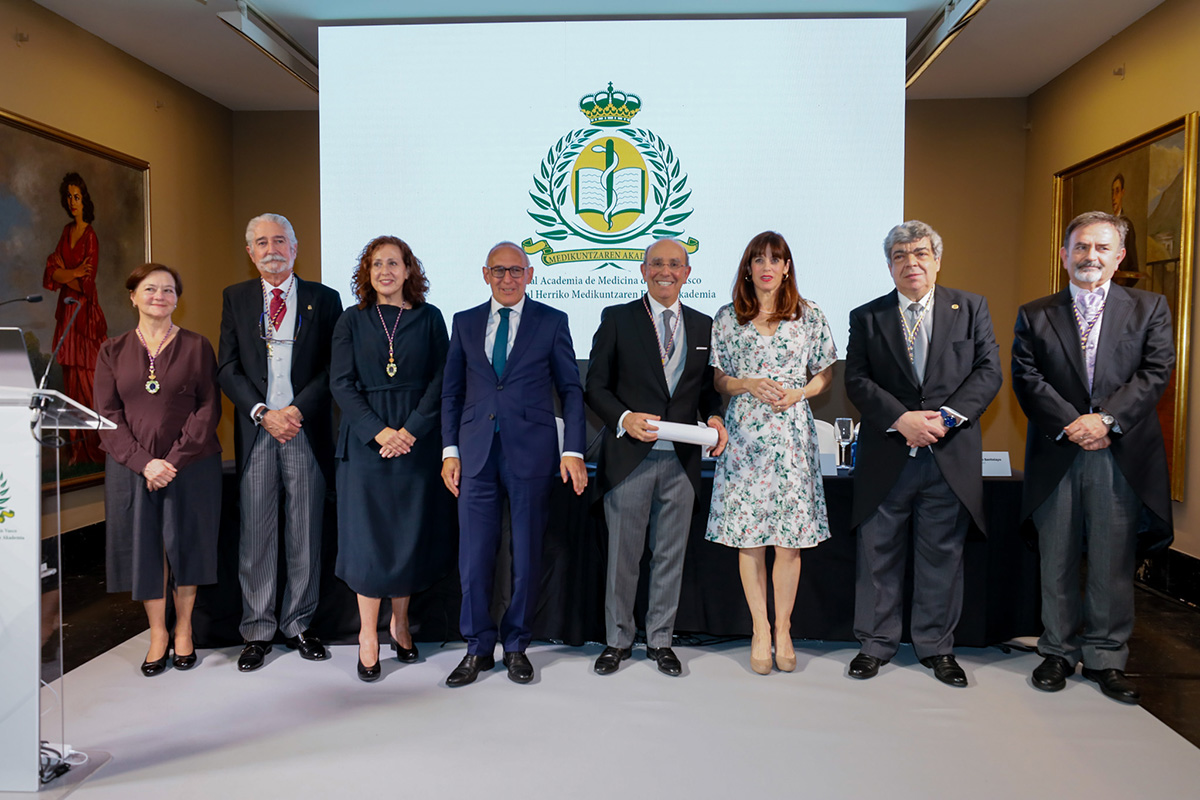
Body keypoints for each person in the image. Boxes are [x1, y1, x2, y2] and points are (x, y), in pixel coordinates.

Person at [1012, 210, 1174, 704]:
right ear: (1064, 255)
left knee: (1110, 560)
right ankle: (1057, 651)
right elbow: (1026, 376)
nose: (1091, 256)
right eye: (1081, 247)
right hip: (1058, 450)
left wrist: (1104, 420)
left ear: (1119, 256)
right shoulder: (1035, 313)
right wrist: (1072, 424)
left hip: (1119, 453)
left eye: (1103, 248)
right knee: (1056, 557)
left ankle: (1106, 656)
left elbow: (1155, 371)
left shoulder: (1150, 308)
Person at [844, 220, 1001, 686]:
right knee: (877, 554)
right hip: (887, 455)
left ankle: (937, 648)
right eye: (899, 256)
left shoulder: (971, 308)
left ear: (936, 260)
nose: (910, 263)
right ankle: (874, 644)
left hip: (948, 455)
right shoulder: (866, 316)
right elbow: (857, 380)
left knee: (943, 556)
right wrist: (902, 420)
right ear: (889, 265)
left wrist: (945, 419)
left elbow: (988, 372)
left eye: (920, 254)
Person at [440, 241, 587, 686]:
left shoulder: (552, 321)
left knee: (526, 553)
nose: (508, 279)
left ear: (530, 275)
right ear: (486, 274)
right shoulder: (464, 322)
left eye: (516, 271)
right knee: (474, 557)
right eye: (499, 271)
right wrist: (450, 450)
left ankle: (518, 644)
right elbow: (451, 391)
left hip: (533, 453)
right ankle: (477, 647)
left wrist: (573, 450)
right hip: (475, 454)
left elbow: (572, 390)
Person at [585, 238, 727, 677]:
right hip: (630, 459)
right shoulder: (618, 319)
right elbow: (595, 386)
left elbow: (706, 392)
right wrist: (624, 417)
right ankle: (617, 641)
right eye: (657, 264)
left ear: (687, 273)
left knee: (670, 556)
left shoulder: (704, 326)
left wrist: (718, 419)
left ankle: (661, 640)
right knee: (623, 559)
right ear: (644, 271)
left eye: (675, 265)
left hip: (682, 463)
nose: (666, 271)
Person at [705, 231, 836, 674]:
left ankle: (784, 628)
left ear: (786, 267)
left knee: (789, 542)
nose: (766, 266)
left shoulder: (810, 314)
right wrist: (747, 383)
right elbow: (720, 379)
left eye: (775, 259)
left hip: (792, 438)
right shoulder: (727, 318)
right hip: (745, 436)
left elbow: (825, 373)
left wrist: (801, 391)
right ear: (748, 267)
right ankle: (759, 628)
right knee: (750, 538)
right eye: (758, 258)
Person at [217, 213, 342, 672]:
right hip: (257, 431)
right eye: (261, 242)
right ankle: (257, 630)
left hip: (303, 429)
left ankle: (300, 624)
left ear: (296, 247)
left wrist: (295, 411)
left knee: (305, 531)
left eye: (280, 240)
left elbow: (334, 367)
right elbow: (227, 367)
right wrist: (263, 413)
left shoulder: (324, 299)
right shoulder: (236, 298)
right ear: (250, 252)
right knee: (256, 534)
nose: (272, 248)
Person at [330, 235, 453, 682]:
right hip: (366, 446)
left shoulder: (430, 318)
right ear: (367, 272)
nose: (385, 271)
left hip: (416, 443)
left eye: (394, 263)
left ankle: (400, 623)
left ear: (408, 270)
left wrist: (409, 432)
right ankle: (368, 634)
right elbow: (341, 384)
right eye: (376, 264)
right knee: (368, 543)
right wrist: (380, 432)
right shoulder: (351, 320)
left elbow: (443, 380)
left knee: (407, 540)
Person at [93, 263, 222, 675]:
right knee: (145, 549)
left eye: (168, 290)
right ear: (133, 296)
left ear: (177, 300)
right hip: (132, 468)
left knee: (188, 545)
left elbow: (208, 407)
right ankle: (157, 634)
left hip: (192, 464)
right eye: (150, 289)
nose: (160, 296)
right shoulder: (111, 351)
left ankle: (183, 629)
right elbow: (107, 415)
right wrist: (145, 463)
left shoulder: (197, 346)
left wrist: (174, 460)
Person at [44, 172, 107, 465]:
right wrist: (72, 273)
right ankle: (76, 452)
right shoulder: (66, 232)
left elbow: (86, 283)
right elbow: (51, 272)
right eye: (68, 196)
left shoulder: (90, 235)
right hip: (68, 314)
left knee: (90, 383)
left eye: (77, 196)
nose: (72, 202)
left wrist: (65, 276)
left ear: (85, 200)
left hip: (86, 318)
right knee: (71, 385)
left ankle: (93, 449)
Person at [1111, 174, 1140, 275]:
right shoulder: (1107, 225)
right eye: (1112, 192)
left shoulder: (1127, 225)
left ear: (1122, 193)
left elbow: (1133, 267)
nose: (1114, 197)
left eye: (1117, 191)